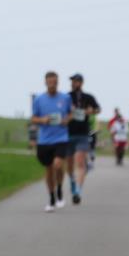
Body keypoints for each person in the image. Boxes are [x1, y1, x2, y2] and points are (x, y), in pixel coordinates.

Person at [31, 71, 72, 212]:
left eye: (54, 82)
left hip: (61, 137)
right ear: (45, 82)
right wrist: (43, 120)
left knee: (58, 164)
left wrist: (67, 119)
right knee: (49, 169)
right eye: (50, 82)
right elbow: (34, 118)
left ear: (58, 82)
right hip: (45, 140)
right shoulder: (38, 99)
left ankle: (60, 188)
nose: (52, 84)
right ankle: (52, 197)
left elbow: (71, 113)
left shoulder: (65, 98)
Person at [64, 73, 100, 205]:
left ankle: (78, 191)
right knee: (69, 165)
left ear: (81, 82)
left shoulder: (88, 97)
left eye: (76, 81)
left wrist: (92, 111)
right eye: (72, 81)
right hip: (67, 134)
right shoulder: (66, 97)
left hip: (83, 134)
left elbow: (97, 109)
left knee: (79, 162)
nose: (74, 83)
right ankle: (73, 183)